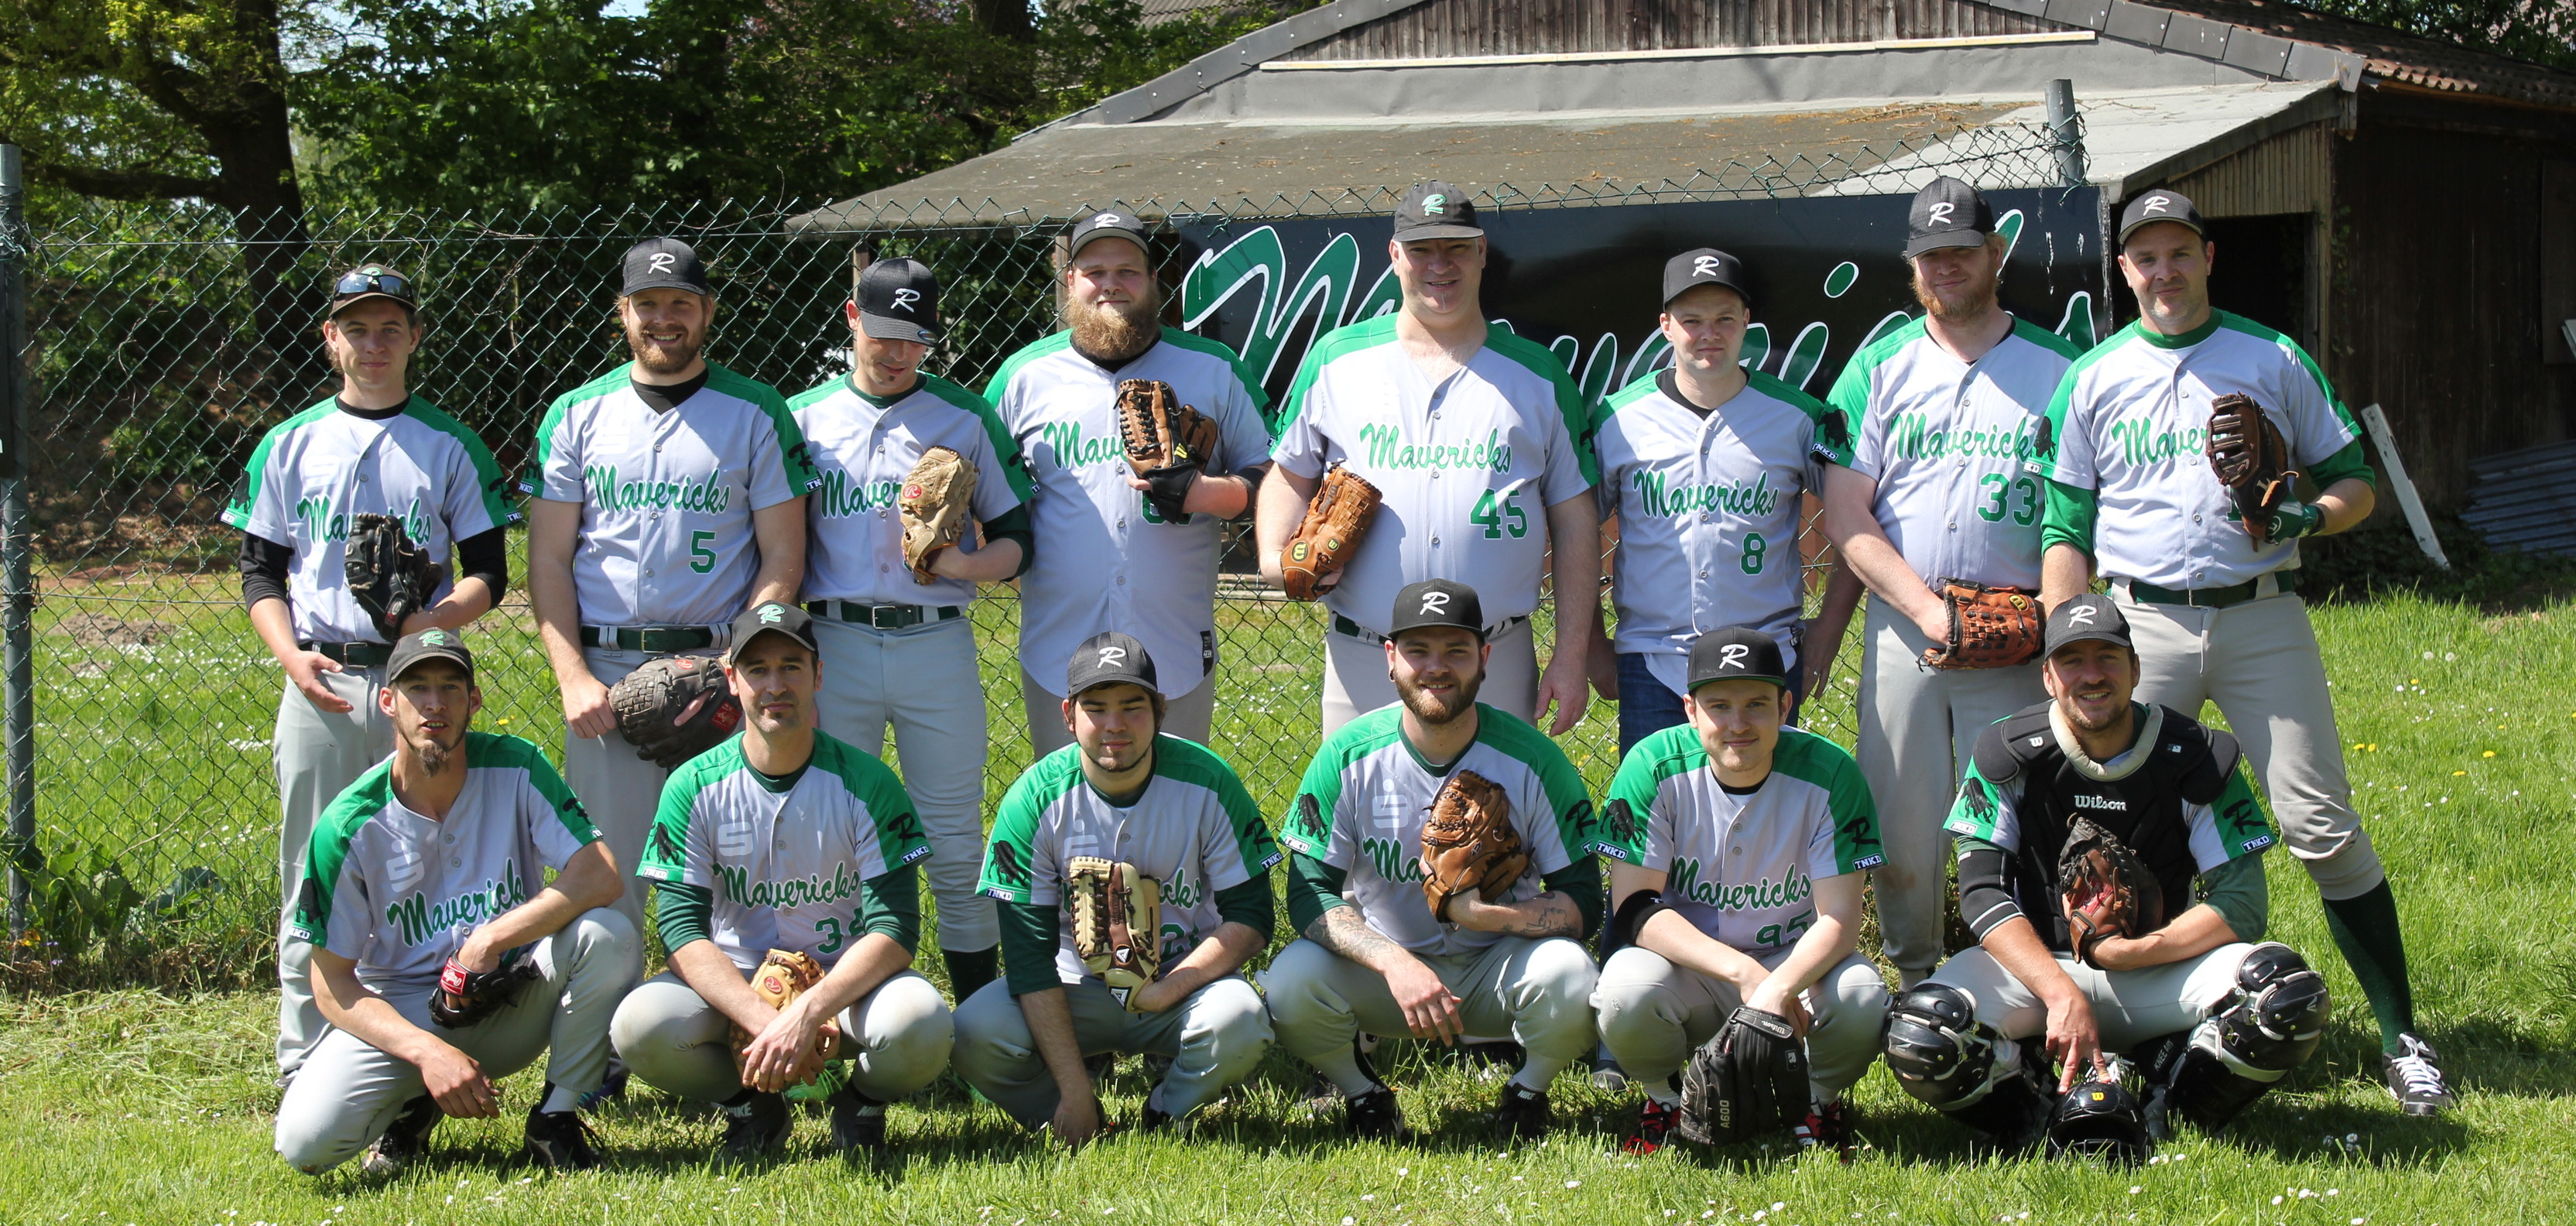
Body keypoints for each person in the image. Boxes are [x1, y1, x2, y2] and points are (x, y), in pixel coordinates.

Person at [2034, 189, 2451, 1114]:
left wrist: (2307, 512)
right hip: (2140, 623)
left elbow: (2353, 483)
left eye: (2179, 252)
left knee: (2318, 822)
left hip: (2263, 615)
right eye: (2146, 257)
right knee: (2119, 832)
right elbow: (2065, 524)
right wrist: (2065, 648)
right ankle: (2128, 1032)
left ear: (2208, 257)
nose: (2163, 270)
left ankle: (2402, 1038)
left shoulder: (2269, 355)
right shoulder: (2092, 375)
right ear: (2124, 269)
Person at [1882, 596, 2327, 1150]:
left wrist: (2131, 953)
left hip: (2158, 971)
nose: (2091, 676)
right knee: (1923, 1032)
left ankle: (2172, 1106)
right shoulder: (2006, 751)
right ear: (2047, 676)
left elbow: (2241, 902)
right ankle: (2037, 1114)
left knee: (2286, 998)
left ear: (2136, 669)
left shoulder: (2195, 757)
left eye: (2108, 658)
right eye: (2072, 661)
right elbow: (1979, 893)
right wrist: (2061, 994)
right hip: (2041, 975)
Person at [225, 264, 519, 1080]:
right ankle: (302, 1066)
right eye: (357, 327)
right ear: (330, 340)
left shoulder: (448, 443)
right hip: (322, 677)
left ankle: (415, 1058)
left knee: (420, 870)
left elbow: (489, 570)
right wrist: (290, 657)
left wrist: (433, 621)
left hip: (420, 681)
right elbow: (258, 573)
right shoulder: (289, 443)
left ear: (416, 338)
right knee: (311, 876)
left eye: (390, 326)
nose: (374, 342)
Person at [1820, 178, 2082, 990]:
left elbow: (2077, 513)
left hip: (2017, 632)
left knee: (2015, 821)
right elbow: (1846, 516)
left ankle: (2016, 980)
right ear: (1912, 267)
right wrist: (1929, 612)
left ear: (1994, 253)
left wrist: (2055, 626)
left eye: (1961, 251)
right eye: (1930, 256)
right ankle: (1913, 983)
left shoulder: (2060, 368)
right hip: (1908, 626)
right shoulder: (1877, 370)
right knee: (1900, 829)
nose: (1946, 268)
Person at [523, 238, 819, 935]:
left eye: (680, 303)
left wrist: (736, 668)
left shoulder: (755, 410)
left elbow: (784, 556)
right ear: (622, 313)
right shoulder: (574, 413)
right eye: (647, 304)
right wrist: (572, 678)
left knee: (739, 879)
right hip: (606, 676)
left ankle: (739, 1028)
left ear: (707, 311)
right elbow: (547, 560)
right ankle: (609, 1036)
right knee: (606, 879)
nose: (664, 318)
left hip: (718, 668)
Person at [273, 630, 636, 1175]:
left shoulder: (515, 765)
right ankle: (414, 1103)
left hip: (508, 992)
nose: (435, 704)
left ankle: (556, 1118)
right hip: (406, 1013)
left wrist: (491, 939)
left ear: (475, 700)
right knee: (305, 1144)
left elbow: (601, 874)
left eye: (451, 687)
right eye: (418, 688)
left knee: (609, 934)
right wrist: (426, 1052)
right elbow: (330, 986)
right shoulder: (346, 825)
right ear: (388, 701)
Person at [1263, 580, 1603, 1141]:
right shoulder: (1348, 755)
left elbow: (1585, 898)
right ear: (1391, 658)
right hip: (1387, 978)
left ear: (1485, 658)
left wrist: (1485, 917)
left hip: (1498, 968)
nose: (1437, 667)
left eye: (1456, 651)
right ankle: (1363, 1093)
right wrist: (1394, 964)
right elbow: (1307, 893)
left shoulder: (1535, 759)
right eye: (1419, 650)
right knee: (1290, 982)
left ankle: (1527, 1090)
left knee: (1571, 977)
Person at [611, 602, 953, 1159]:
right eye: (758, 669)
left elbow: (896, 928)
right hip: (735, 981)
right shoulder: (691, 786)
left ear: (818, 674)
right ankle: (752, 1109)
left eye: (791, 667)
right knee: (639, 1027)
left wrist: (808, 1012)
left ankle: (861, 1104)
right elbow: (679, 928)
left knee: (922, 1023)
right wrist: (764, 1021)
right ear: (732, 680)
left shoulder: (867, 782)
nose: (776, 684)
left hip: (843, 984)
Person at [1258, 183, 1599, 735]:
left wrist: (1570, 655)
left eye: (1456, 248)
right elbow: (1288, 471)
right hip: (1365, 655)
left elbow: (1575, 516)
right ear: (1396, 257)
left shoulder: (1538, 375)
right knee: (1363, 815)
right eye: (1422, 250)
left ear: (1483, 253)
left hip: (1496, 654)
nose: (1439, 265)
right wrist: (1276, 557)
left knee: (1493, 816)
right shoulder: (1337, 360)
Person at [790, 255, 1033, 1002]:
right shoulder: (800, 418)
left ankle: (977, 1018)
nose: (898, 354)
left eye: (916, 339)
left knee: (956, 839)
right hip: (832, 643)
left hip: (935, 642)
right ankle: (830, 1010)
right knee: (831, 834)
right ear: (851, 318)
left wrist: (956, 566)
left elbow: (1019, 540)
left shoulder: (963, 417)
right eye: (885, 334)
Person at [953, 632, 1280, 1143]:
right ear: (1068, 714)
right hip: (1073, 987)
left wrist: (1168, 988)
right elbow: (1028, 959)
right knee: (974, 1030)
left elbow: (1254, 915)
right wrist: (1073, 1088)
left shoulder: (1208, 780)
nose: (1114, 725)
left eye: (1132, 707)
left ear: (1160, 711)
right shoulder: (1034, 799)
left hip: (1180, 977)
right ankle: (1070, 1113)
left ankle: (1166, 1111)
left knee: (1241, 1020)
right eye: (1096, 707)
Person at [1591, 628, 1890, 1156]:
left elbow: (1840, 919)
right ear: (1690, 709)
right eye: (1719, 705)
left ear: (1785, 704)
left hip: (1791, 964)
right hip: (1693, 970)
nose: (1737, 723)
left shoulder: (1833, 774)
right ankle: (1665, 1099)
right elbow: (1634, 909)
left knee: (1862, 994)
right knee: (1623, 990)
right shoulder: (1651, 766)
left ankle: (1815, 1105)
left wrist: (1776, 988)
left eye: (1756, 704)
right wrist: (1744, 974)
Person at [985, 211, 1271, 754]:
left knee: (1180, 805)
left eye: (1128, 270)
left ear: (1153, 280)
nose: (1111, 283)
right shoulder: (1023, 378)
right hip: (1058, 645)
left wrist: (1204, 493)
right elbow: (985, 492)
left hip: (1175, 642)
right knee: (1068, 811)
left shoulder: (1213, 368)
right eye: (1094, 271)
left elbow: (1273, 476)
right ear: (1069, 280)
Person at [1590, 248, 1862, 751]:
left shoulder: (1796, 417)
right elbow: (1577, 533)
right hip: (1653, 658)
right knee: (1652, 817)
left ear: (1746, 323)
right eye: (1692, 320)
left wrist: (1830, 627)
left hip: (1766, 656)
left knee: (1763, 816)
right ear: (1666, 325)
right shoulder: (1618, 419)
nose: (1709, 333)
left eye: (1724, 319)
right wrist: (1591, 646)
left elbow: (1861, 522)